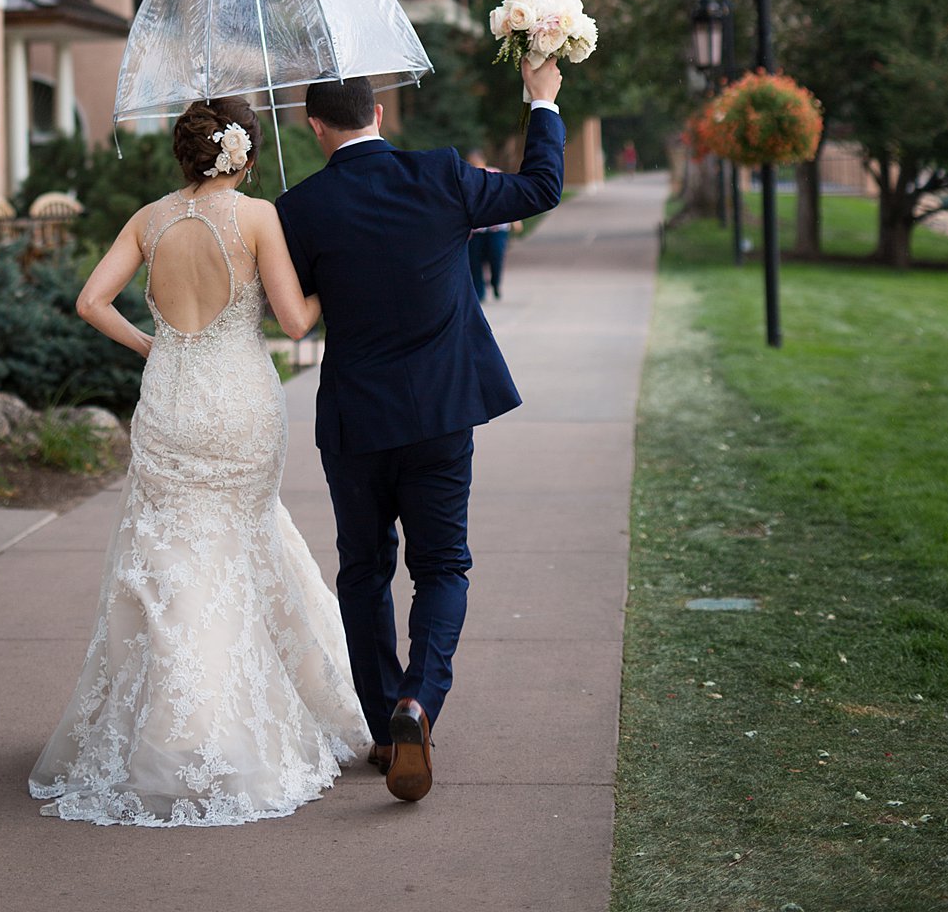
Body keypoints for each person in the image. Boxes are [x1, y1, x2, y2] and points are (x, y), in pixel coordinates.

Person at [29, 96, 369, 826]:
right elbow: (296, 318)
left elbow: (92, 301)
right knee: (244, 541)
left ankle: (166, 727)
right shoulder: (256, 218)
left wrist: (155, 346)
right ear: (242, 154)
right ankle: (226, 727)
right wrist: (346, 273)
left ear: (185, 155)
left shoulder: (149, 220)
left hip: (170, 402)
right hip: (240, 403)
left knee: (172, 558)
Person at [276, 55, 565, 803]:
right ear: (379, 116)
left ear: (315, 129)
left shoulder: (299, 207)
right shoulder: (439, 175)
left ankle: (383, 728)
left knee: (363, 571)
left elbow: (289, 307)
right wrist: (540, 101)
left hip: (354, 420)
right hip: (440, 414)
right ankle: (418, 703)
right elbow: (540, 188)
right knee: (441, 568)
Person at [465, 148, 516, 302]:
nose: (474, 165)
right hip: (476, 229)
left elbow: (509, 198)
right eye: (471, 163)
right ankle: (479, 292)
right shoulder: (465, 179)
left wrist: (516, 220)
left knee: (496, 255)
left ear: (483, 161)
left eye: (476, 162)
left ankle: (495, 282)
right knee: (475, 260)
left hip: (497, 227)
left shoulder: (495, 174)